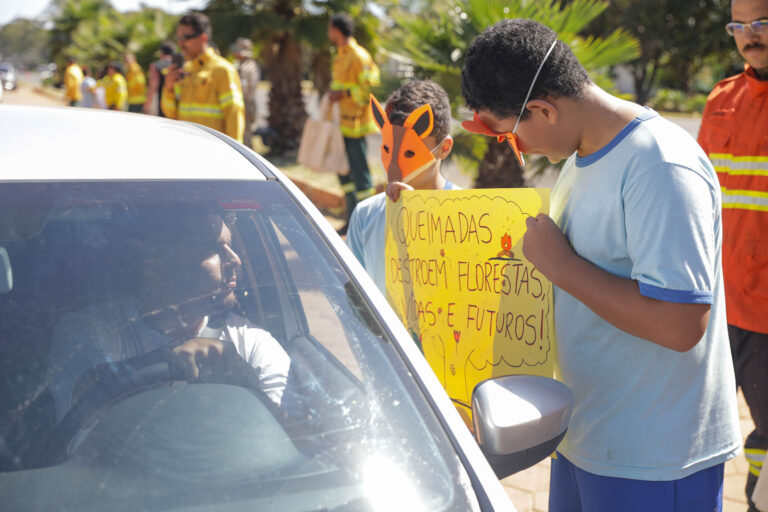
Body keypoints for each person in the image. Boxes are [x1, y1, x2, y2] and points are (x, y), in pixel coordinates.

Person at [460, 19, 741, 511]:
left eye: (510, 137)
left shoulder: (659, 164)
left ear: (543, 109)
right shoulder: (580, 158)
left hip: (655, 459)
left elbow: (681, 324)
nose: (516, 151)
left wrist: (561, 266)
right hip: (589, 439)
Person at [47, 206, 290, 422]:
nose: (235, 260)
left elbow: (285, 439)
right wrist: (165, 361)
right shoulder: (92, 330)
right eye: (214, 249)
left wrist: (246, 384)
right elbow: (85, 418)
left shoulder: (252, 344)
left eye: (231, 246)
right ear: (157, 263)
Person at [697, 1, 768, 509]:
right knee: (701, 430)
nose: (749, 35)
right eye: (739, 26)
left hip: (766, 315)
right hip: (716, 307)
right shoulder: (722, 98)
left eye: (761, 23)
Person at [347, 80, 458, 294]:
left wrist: (421, 220)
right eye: (387, 149)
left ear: (444, 148)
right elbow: (353, 295)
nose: (394, 166)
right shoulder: (366, 216)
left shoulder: (469, 218)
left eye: (409, 153)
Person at [327, 13, 380, 235]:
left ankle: (367, 225)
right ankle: (351, 219)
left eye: (329, 29)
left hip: (355, 126)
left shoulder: (359, 55)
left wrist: (344, 94)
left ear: (337, 30)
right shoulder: (340, 55)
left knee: (361, 177)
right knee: (344, 175)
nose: (328, 33)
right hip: (340, 125)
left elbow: (369, 88)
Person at [162, 12, 245, 142]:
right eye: (178, 38)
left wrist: (233, 152)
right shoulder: (185, 70)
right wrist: (169, 89)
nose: (181, 43)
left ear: (203, 38)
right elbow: (171, 115)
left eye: (185, 38)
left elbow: (234, 116)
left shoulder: (223, 70)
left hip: (213, 149)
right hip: (185, 145)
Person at [232, 38, 260, 150]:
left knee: (245, 134)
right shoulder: (240, 65)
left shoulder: (248, 67)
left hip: (245, 103)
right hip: (243, 102)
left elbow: (246, 87)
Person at [144, 42, 175, 116]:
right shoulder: (179, 65)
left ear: (161, 52)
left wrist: (146, 107)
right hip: (179, 106)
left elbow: (153, 87)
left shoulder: (156, 66)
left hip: (163, 105)